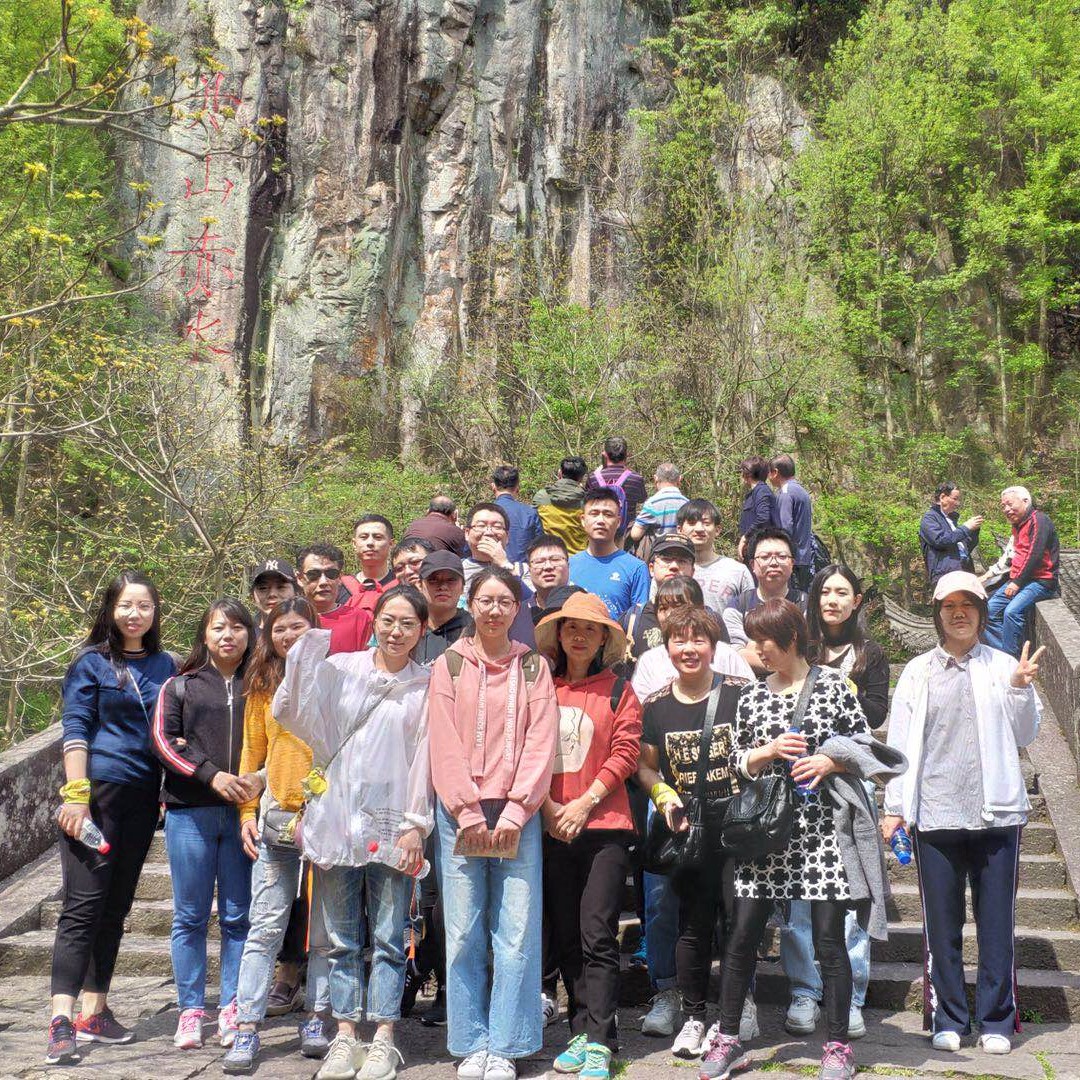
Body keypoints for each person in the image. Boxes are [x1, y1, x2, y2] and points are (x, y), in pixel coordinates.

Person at [697, 599, 872, 1080]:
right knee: (741, 936)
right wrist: (768, 751)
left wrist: (830, 762)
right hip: (763, 833)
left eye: (765, 641)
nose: (758, 651)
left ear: (791, 638)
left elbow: (866, 746)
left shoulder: (833, 686)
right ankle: (727, 1037)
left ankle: (837, 1045)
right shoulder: (752, 696)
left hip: (821, 831)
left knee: (829, 941)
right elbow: (734, 762)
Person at [273, 585, 434, 1080]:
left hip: (392, 823)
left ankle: (383, 1037)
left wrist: (415, 825)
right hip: (339, 820)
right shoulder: (342, 669)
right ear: (374, 621)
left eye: (408, 623)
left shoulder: (426, 685)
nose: (396, 631)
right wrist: (308, 646)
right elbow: (291, 711)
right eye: (388, 620)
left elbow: (424, 759)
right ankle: (345, 1035)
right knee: (341, 939)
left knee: (389, 937)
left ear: (422, 631)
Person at [883, 571, 1042, 1056]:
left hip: (997, 816)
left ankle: (996, 1019)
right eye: (949, 605)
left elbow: (1026, 733)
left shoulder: (1004, 665)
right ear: (937, 614)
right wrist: (894, 807)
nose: (959, 613)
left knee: (997, 925)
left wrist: (1019, 688)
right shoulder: (917, 671)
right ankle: (949, 1016)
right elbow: (898, 745)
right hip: (935, 815)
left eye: (968, 604)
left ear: (980, 611)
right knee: (941, 927)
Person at [428, 566, 559, 1080]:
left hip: (516, 815)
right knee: (463, 931)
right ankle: (470, 1041)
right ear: (471, 603)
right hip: (458, 813)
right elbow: (442, 741)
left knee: (516, 931)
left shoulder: (534, 667)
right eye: (485, 600)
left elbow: (541, 741)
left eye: (505, 601)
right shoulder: (449, 665)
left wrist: (517, 809)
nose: (495, 610)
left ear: (517, 608)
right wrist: (465, 810)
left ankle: (507, 1043)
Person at [45, 572, 176, 1066]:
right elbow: (75, 728)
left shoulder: (166, 665)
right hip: (97, 794)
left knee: (116, 907)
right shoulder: (92, 663)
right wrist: (76, 796)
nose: (134, 614)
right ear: (111, 610)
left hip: (143, 799)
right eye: (126, 605)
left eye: (144, 606)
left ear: (155, 612)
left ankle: (94, 1012)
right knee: (83, 905)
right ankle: (61, 1019)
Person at [534, 592, 643, 1080]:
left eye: (590, 629)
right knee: (567, 937)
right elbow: (527, 752)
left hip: (604, 829)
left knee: (597, 933)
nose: (579, 635)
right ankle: (580, 1031)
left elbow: (625, 752)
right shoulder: (541, 689)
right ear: (559, 634)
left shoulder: (619, 690)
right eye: (571, 627)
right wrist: (549, 808)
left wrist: (582, 804)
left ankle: (602, 1039)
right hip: (552, 825)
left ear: (603, 639)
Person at [780, 565, 891, 1041]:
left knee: (851, 895)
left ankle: (851, 996)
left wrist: (834, 696)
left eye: (842, 592)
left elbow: (875, 713)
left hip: (848, 782)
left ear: (857, 600)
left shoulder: (870, 653)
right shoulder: (799, 647)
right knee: (797, 897)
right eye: (825, 591)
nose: (832, 600)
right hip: (798, 783)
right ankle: (804, 991)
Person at [636, 608, 751, 1061]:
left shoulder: (740, 693)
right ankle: (695, 1016)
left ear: (714, 646)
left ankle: (736, 1011)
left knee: (740, 922)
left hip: (739, 826)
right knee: (693, 924)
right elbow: (646, 766)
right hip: (688, 826)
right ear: (666, 647)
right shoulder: (656, 704)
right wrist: (663, 795)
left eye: (698, 640)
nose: (689, 649)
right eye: (679, 641)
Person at [223, 598, 331, 1073]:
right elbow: (252, 753)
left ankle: (317, 1018)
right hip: (276, 818)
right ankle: (246, 1024)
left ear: (315, 629)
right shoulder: (263, 685)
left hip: (327, 819)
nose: (289, 636)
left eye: (298, 627)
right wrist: (246, 811)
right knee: (265, 926)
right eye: (280, 629)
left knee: (323, 932)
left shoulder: (333, 679)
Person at [152, 599, 259, 1052]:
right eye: (218, 628)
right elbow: (164, 741)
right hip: (189, 811)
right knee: (190, 916)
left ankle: (232, 1005)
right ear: (205, 635)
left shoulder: (262, 685)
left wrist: (255, 781)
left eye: (237, 627)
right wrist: (210, 774)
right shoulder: (180, 686)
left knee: (238, 916)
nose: (227, 636)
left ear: (250, 634)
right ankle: (191, 1009)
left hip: (244, 815)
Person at [631, 578, 753, 703]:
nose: (669, 615)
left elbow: (750, 698)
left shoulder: (726, 655)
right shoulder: (649, 661)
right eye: (663, 608)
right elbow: (641, 707)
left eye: (677, 606)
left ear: (700, 608)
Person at [984, 486, 1059, 658]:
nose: (1006, 509)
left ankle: (1011, 659)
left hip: (1041, 581)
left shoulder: (1039, 520)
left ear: (1025, 501)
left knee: (1012, 612)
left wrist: (1017, 582)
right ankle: (1006, 653)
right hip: (1019, 579)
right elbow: (1014, 556)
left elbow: (1035, 554)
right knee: (987, 612)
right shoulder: (1018, 525)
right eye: (1003, 506)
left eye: (1010, 504)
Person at [622, 536, 724, 661]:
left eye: (682, 561)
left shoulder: (711, 620)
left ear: (693, 571)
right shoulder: (632, 619)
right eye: (666, 559)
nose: (674, 566)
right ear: (651, 569)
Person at [724, 527, 808, 671]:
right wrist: (787, 655)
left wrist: (752, 647)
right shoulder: (737, 606)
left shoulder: (807, 604)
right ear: (752, 565)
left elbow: (808, 653)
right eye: (765, 557)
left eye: (782, 556)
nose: (773, 562)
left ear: (792, 563)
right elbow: (734, 654)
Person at [569, 488, 650, 620]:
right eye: (594, 514)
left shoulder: (636, 569)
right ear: (583, 520)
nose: (600, 520)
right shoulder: (568, 565)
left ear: (618, 522)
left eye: (608, 515)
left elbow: (639, 621)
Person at [462, 503, 537, 646]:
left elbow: (531, 606)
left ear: (507, 536)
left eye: (497, 527)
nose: (489, 532)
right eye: (481, 525)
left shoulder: (522, 570)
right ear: (467, 533)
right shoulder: (455, 571)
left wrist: (504, 564)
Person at [677, 499, 753, 612]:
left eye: (706, 523)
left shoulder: (738, 571)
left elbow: (751, 614)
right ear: (679, 530)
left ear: (717, 530)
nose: (699, 529)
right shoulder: (669, 569)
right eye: (692, 523)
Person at [297, 544, 374, 653]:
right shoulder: (289, 620)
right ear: (300, 578)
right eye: (313, 574)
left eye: (331, 574)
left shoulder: (359, 619)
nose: (323, 582)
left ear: (340, 578)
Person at [415, 551, 474, 666]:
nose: (442, 587)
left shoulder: (474, 630)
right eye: (433, 580)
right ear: (420, 585)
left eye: (451, 580)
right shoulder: (410, 627)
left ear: (463, 587)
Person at [918, 483, 983, 585]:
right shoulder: (929, 518)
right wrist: (966, 528)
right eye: (955, 499)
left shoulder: (951, 521)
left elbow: (966, 547)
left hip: (964, 570)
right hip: (945, 574)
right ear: (942, 497)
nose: (958, 503)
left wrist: (973, 530)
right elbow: (941, 540)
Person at [769, 456, 815, 591]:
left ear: (775, 472)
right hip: (804, 558)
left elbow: (784, 528)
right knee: (802, 598)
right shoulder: (802, 491)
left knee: (789, 599)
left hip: (792, 559)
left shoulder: (786, 493)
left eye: (769, 473)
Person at [585, 436, 648, 533]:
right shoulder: (636, 479)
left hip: (601, 531)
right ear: (627, 455)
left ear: (605, 454)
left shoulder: (593, 478)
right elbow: (642, 499)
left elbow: (587, 503)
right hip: (627, 533)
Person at [534, 456, 589, 555]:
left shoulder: (541, 497)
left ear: (560, 473)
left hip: (549, 555)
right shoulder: (588, 502)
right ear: (581, 477)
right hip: (578, 557)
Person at [629, 463, 688, 550]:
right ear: (679, 479)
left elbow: (635, 535)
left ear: (655, 478)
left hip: (660, 551)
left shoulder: (652, 503)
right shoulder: (687, 503)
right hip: (683, 551)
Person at [492, 465, 543, 562]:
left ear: (493, 487)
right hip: (523, 569)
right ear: (518, 488)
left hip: (491, 569)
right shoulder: (530, 513)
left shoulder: (482, 513)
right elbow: (540, 546)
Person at [349, 515, 398, 613]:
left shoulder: (402, 586)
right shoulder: (339, 588)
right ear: (354, 544)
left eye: (378, 537)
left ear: (391, 544)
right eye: (364, 537)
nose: (370, 543)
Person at [736, 457, 775, 560]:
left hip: (760, 549)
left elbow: (763, 518)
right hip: (753, 548)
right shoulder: (755, 492)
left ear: (747, 474)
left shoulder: (761, 491)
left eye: (742, 472)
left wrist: (745, 538)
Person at [404, 496, 469, 556]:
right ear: (454, 515)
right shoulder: (455, 531)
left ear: (427, 511)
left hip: (406, 562)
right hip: (433, 564)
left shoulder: (413, 525)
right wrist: (459, 531)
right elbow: (467, 555)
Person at [526, 535, 572, 619]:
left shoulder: (587, 608)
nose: (548, 566)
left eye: (555, 560)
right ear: (529, 570)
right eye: (539, 561)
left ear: (568, 566)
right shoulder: (515, 613)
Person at [249, 559, 299, 629]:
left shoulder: (309, 631)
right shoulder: (247, 633)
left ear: (296, 592)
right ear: (252, 597)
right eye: (263, 588)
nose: (272, 594)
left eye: (281, 587)